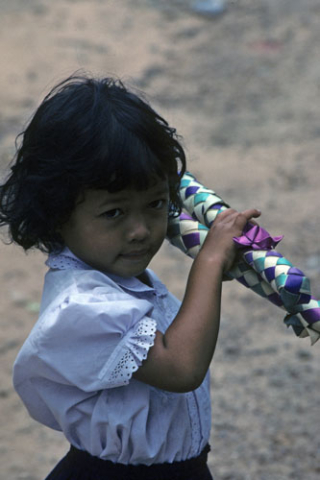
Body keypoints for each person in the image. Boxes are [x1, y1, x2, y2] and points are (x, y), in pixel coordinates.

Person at [0, 74, 260, 480]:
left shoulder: (114, 276)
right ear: (56, 213)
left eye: (155, 204)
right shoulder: (84, 308)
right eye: (114, 212)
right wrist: (207, 265)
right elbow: (180, 368)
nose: (141, 230)